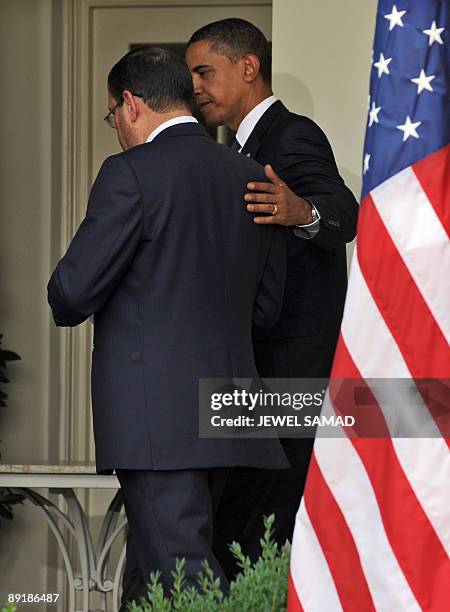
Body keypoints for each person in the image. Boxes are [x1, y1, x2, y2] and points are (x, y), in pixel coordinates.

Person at [47, 46, 289, 610]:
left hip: (160, 417)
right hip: (233, 411)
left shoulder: (130, 173)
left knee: (185, 574)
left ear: (130, 104)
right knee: (153, 579)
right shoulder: (251, 175)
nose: (116, 130)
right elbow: (267, 307)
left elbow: (71, 292)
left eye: (113, 117)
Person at [186, 18, 359, 577]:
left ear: (249, 67)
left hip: (288, 370)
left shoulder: (291, 135)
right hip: (250, 370)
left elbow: (343, 211)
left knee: (265, 526)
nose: (196, 87)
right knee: (239, 524)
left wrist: (301, 210)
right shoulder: (232, 148)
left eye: (204, 72)